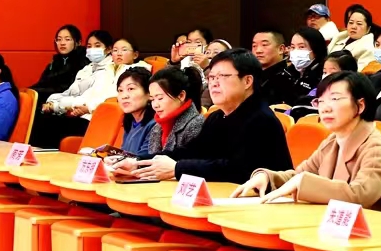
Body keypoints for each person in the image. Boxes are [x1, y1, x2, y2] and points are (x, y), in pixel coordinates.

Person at [232, 71, 381, 212]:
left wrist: (303, 182)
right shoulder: (332, 142)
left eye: (334, 99)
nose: (325, 108)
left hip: (377, 233)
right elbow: (299, 176)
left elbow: (359, 196)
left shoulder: (377, 149)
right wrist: (268, 178)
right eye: (320, 101)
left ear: (360, 106)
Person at [112, 49, 291, 183]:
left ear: (247, 81)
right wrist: (137, 162)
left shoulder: (261, 119)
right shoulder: (217, 117)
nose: (214, 84)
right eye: (211, 77)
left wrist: (177, 168)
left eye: (222, 76)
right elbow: (192, 152)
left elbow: (239, 170)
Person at [32, 30, 118, 148]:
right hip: (72, 113)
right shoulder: (86, 69)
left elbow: (87, 99)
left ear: (108, 49)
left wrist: (57, 106)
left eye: (97, 46)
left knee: (48, 125)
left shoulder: (109, 71)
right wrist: (52, 101)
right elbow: (69, 92)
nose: (92, 49)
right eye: (89, 46)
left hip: (89, 118)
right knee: (38, 118)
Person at [144, 66, 205, 154]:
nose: (155, 105)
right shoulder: (157, 127)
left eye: (160, 98)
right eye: (152, 99)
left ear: (181, 96)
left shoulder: (196, 125)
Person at [30, 24, 88, 105]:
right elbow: (42, 83)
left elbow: (66, 88)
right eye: (59, 39)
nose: (62, 43)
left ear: (78, 42)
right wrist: (29, 91)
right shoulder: (55, 62)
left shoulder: (83, 61)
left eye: (67, 39)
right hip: (48, 101)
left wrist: (37, 92)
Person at [116, 67, 156, 157]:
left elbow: (141, 160)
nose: (124, 96)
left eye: (131, 89)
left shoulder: (156, 125)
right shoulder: (130, 122)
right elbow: (125, 155)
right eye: (120, 90)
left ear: (149, 93)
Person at [285, 28, 328, 106]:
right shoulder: (287, 72)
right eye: (293, 47)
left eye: (301, 47)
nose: (296, 51)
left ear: (316, 49)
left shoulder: (323, 75)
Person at [327, 5, 376, 70]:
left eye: (359, 24)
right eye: (351, 22)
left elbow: (359, 72)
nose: (353, 27)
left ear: (368, 29)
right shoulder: (338, 39)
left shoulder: (367, 49)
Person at [251, 29, 292, 104]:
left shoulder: (287, 79)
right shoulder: (252, 75)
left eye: (264, 45)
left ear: (281, 49)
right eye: (254, 46)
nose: (258, 50)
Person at [198, 39, 231, 109]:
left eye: (216, 52)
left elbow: (205, 104)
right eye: (207, 52)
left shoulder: (227, 76)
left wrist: (207, 67)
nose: (210, 56)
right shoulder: (198, 72)